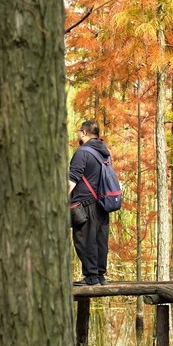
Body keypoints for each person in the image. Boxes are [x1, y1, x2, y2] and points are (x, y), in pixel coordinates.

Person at [68, 120, 111, 286]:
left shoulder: (82, 153)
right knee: (100, 239)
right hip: (102, 202)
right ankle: (99, 275)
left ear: (84, 133)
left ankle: (91, 277)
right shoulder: (105, 153)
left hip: (84, 204)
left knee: (84, 240)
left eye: (79, 131)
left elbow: (72, 179)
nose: (78, 134)